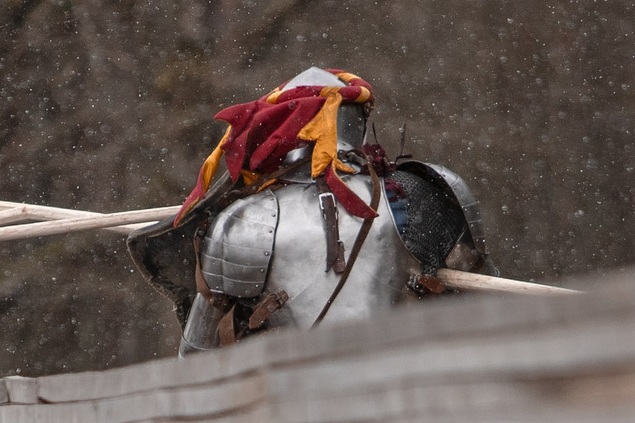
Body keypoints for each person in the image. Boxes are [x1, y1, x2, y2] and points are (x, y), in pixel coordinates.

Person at [127, 66, 493, 353]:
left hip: (296, 402)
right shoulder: (422, 192)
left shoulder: (247, 221)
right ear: (358, 120)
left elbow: (198, 354)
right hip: (414, 393)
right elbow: (485, 302)